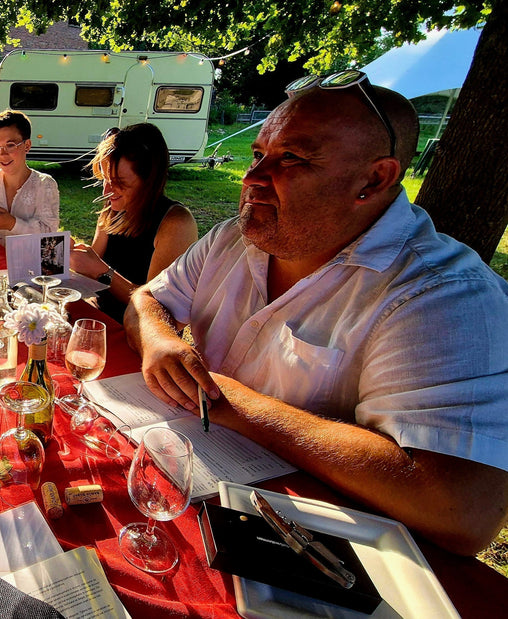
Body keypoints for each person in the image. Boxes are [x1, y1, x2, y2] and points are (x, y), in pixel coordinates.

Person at [123, 72, 508, 555]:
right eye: (259, 154)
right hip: (200, 490)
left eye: (291, 159)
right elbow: (147, 300)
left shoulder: (441, 295)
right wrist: (159, 338)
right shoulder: (233, 238)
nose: (253, 177)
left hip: (318, 558)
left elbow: (460, 509)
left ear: (374, 178)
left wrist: (235, 405)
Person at [69, 123, 198, 323]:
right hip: (102, 320)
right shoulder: (113, 207)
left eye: (120, 183)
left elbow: (159, 309)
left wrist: (100, 271)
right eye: (105, 179)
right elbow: (93, 264)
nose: (107, 192)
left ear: (149, 181)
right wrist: (73, 257)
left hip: (138, 336)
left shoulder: (175, 223)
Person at [0, 110, 59, 237]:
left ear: (27, 146)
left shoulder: (44, 185)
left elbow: (49, 233)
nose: (2, 154)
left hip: (28, 256)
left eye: (10, 145)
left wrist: (12, 224)